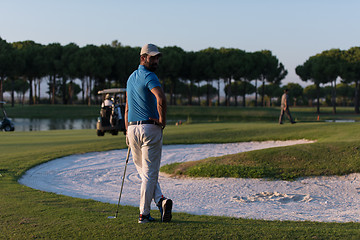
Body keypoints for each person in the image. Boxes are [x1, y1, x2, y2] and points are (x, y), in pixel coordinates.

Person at [125, 43, 172, 223]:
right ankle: (144, 214)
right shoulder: (149, 76)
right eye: (153, 58)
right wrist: (162, 121)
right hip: (149, 128)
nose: (156, 61)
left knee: (145, 173)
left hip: (132, 128)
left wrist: (126, 131)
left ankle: (161, 201)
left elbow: (128, 108)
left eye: (157, 58)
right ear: (143, 58)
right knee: (150, 174)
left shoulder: (130, 78)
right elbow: (161, 98)